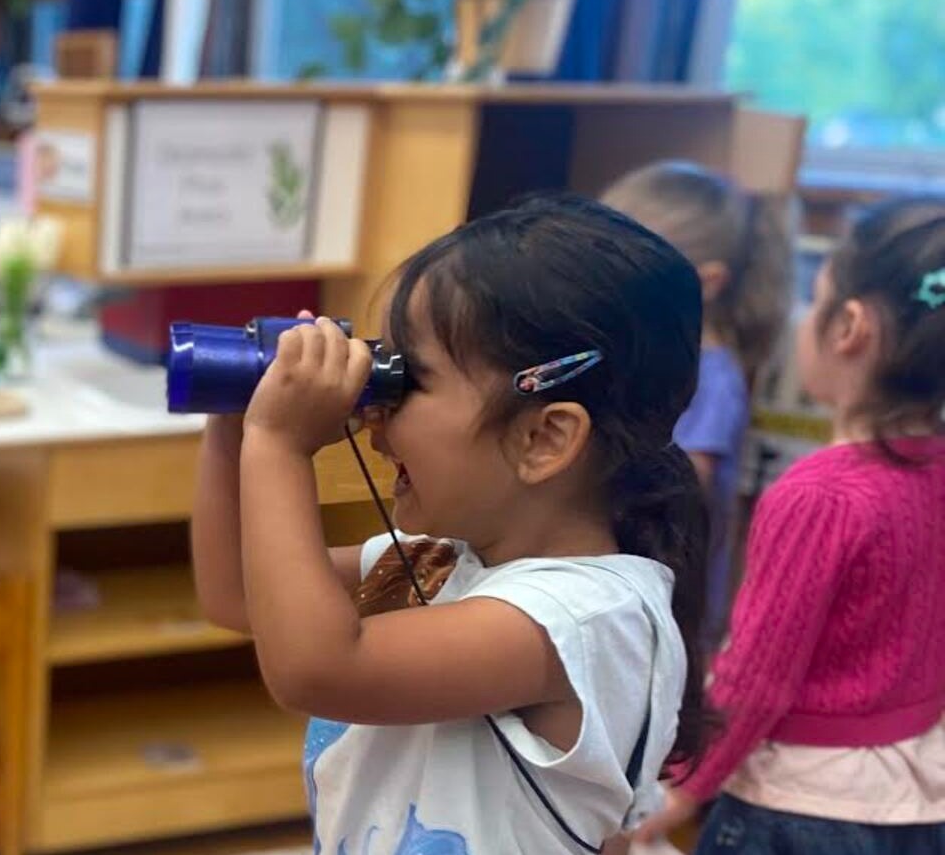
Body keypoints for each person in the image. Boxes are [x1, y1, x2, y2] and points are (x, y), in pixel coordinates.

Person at [193, 194, 709, 852]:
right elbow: (237, 594)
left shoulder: (583, 616)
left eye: (410, 379)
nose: (374, 411)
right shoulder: (438, 559)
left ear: (543, 438)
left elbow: (316, 669)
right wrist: (234, 425)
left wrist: (279, 445)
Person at [634, 196, 945, 851]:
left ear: (848, 327)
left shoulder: (818, 498)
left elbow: (758, 678)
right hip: (918, 797)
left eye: (817, 296)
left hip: (802, 808)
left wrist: (683, 788)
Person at [601, 161, 795, 650]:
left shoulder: (712, 376)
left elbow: (687, 485)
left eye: (621, 268)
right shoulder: (656, 354)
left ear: (705, 283)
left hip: (667, 604)